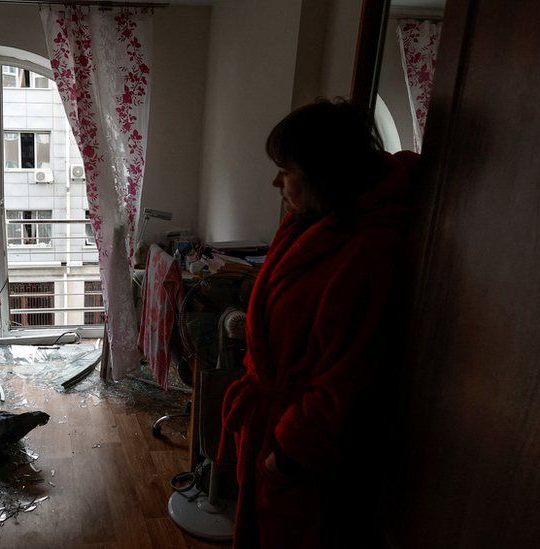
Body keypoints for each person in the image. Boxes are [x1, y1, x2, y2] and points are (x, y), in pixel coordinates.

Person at [217, 99, 419, 548]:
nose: (275, 181)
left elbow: (349, 375)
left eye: (286, 170)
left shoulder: (368, 252)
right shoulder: (314, 223)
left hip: (300, 453)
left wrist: (286, 456)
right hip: (274, 427)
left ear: (324, 171)